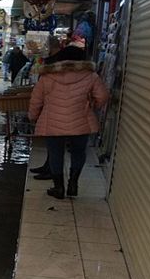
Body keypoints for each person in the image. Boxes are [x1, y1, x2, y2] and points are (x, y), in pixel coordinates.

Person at [28, 45, 109, 199]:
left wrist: (33, 116)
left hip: (53, 122)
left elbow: (36, 100)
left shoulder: (47, 76)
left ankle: (58, 188)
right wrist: (92, 106)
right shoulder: (91, 76)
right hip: (81, 122)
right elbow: (103, 96)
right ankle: (73, 183)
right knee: (78, 152)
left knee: (55, 154)